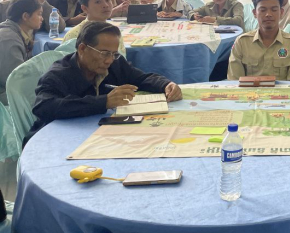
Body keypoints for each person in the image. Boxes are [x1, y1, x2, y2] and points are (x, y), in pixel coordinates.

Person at [26, 21, 182, 143]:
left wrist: (166, 84)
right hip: (58, 139)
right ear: (82, 49)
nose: (109, 60)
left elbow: (141, 78)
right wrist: (103, 102)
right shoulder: (58, 75)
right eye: (104, 53)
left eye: (114, 54)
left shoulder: (114, 63)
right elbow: (44, 106)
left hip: (98, 134)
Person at [227, 0, 290, 82]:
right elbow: (234, 82)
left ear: (281, 12)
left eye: (274, 10)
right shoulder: (242, 42)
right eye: (263, 10)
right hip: (248, 91)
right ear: (255, 13)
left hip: (282, 92)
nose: (268, 14)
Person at [0, 0, 43, 105]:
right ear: (25, 16)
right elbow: (15, 80)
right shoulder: (9, 39)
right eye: (39, 14)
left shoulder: (15, 33)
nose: (42, 18)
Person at [62, 0, 126, 56]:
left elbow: (122, 59)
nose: (106, 5)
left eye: (107, 0)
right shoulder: (75, 35)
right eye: (98, 2)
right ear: (85, 8)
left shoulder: (113, 31)